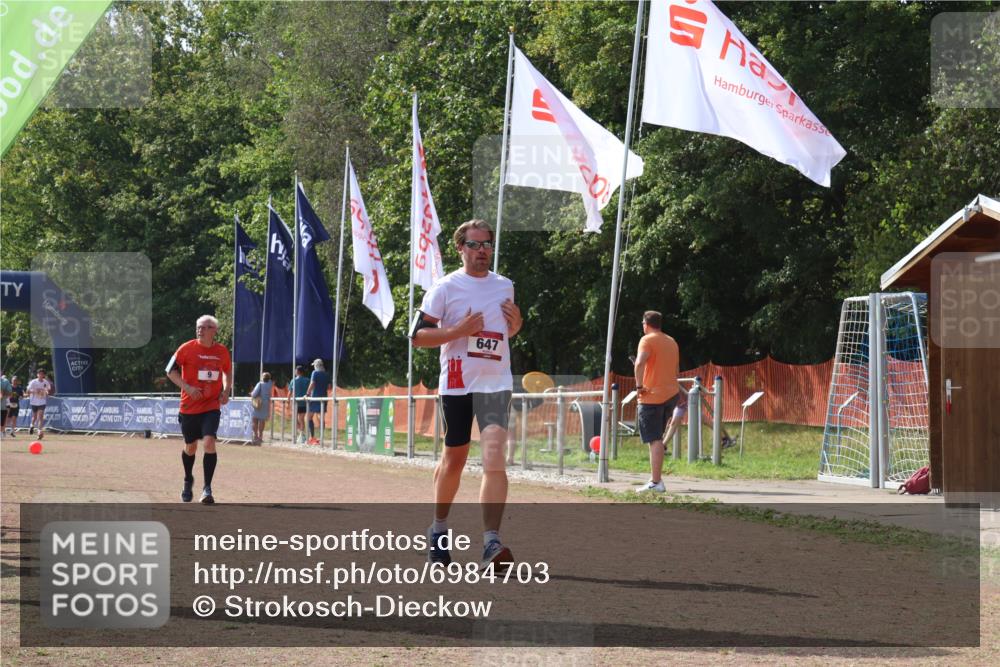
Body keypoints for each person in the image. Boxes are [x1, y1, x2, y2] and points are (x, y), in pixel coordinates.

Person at [411, 219, 523, 570]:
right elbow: (418, 336)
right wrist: (458, 330)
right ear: (460, 248)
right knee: (454, 460)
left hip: (496, 383)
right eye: (474, 245)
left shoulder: (505, 285)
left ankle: (492, 543)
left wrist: (516, 325)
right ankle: (439, 530)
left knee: (494, 457)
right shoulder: (445, 288)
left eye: (487, 244)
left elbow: (504, 334)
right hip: (458, 384)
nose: (482, 251)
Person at [165, 314, 232, 504]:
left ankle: (207, 489)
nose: (200, 329)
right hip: (189, 407)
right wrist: (187, 387)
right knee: (191, 447)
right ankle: (188, 479)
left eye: (204, 326)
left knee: (209, 442)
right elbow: (169, 370)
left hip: (211, 405)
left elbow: (227, 371)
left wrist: (226, 390)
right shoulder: (186, 349)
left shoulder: (222, 351)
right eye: (198, 326)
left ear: (214, 330)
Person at [634, 311, 680, 493]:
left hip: (652, 396)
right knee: (657, 438)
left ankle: (656, 481)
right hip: (671, 394)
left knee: (654, 439)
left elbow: (639, 363)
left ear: (646, 323)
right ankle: (655, 479)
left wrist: (639, 386)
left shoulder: (646, 340)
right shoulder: (671, 341)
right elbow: (675, 370)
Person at [663, 389, 735, 450]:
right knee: (673, 423)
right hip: (679, 404)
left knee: (705, 420)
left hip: (689, 401)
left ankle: (724, 438)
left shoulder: (669, 380)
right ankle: (663, 446)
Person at [305, 359, 330, 445]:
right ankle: (321, 437)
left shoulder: (314, 373)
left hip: (315, 397)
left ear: (316, 365)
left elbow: (312, 383)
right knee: (321, 418)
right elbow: (329, 386)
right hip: (323, 397)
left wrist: (307, 393)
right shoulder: (326, 374)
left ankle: (312, 437)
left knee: (308, 417)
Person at [26, 368, 54, 439]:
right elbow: (27, 391)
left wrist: (46, 392)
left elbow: (48, 389)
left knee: (41, 416)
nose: (41, 375)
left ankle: (39, 431)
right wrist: (36, 391)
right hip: (34, 401)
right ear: (37, 375)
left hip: (42, 401)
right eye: (39, 374)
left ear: (44, 375)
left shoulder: (46, 382)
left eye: (42, 374)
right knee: (34, 416)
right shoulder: (33, 382)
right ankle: (31, 426)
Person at [249, 372, 273, 446]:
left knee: (255, 420)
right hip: (266, 404)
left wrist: (251, 393)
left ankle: (255, 435)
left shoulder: (260, 384)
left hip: (258, 403)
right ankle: (260, 436)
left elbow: (254, 394)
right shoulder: (270, 385)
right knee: (262, 420)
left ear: (263, 377)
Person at [290, 365, 310, 444]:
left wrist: (288, 401)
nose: (295, 372)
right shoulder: (307, 380)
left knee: (296, 419)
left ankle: (301, 434)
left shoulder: (293, 380)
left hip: (296, 403)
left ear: (298, 372)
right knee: (301, 419)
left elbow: (290, 392)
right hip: (304, 403)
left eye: (295, 371)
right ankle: (301, 434)